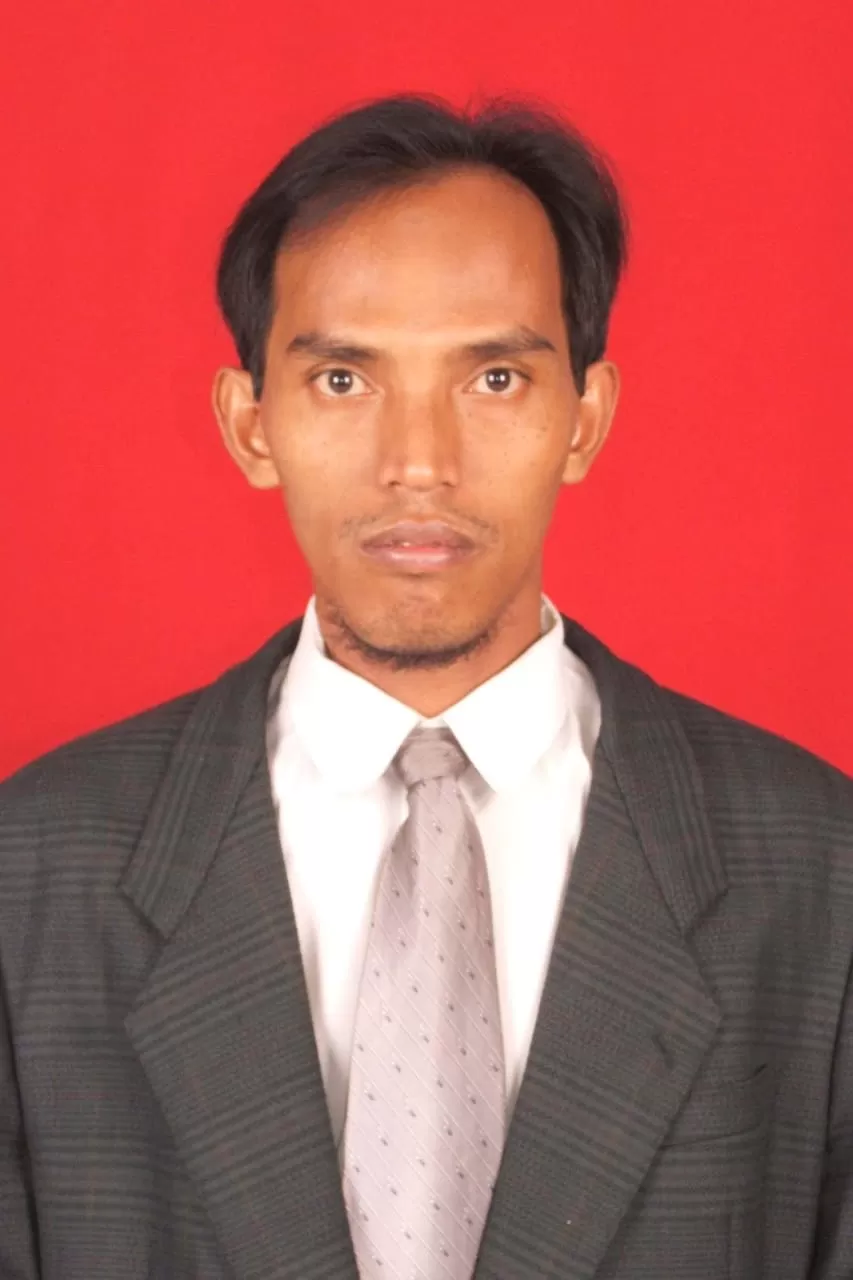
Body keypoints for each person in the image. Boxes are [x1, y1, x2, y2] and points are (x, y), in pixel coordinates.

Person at [1, 90, 851, 1280]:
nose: (418, 464)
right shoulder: (32, 871)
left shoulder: (819, 871)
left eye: (493, 378)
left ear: (584, 419)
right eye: (343, 381)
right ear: (250, 425)